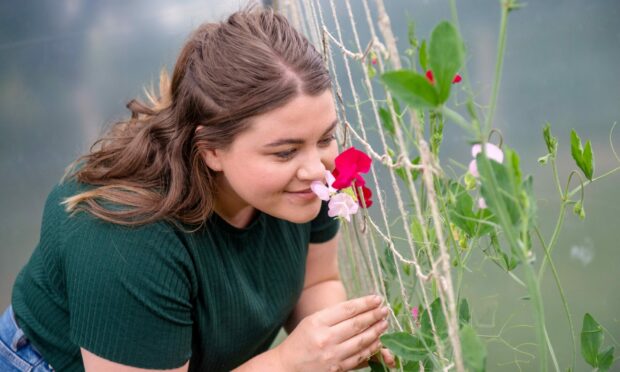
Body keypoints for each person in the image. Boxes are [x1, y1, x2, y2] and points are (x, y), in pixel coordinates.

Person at [1, 7, 396, 372]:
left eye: (325, 137)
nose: (316, 168)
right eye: (284, 152)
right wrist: (290, 363)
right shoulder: (127, 238)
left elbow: (317, 282)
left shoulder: (310, 185)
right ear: (210, 150)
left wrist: (342, 343)